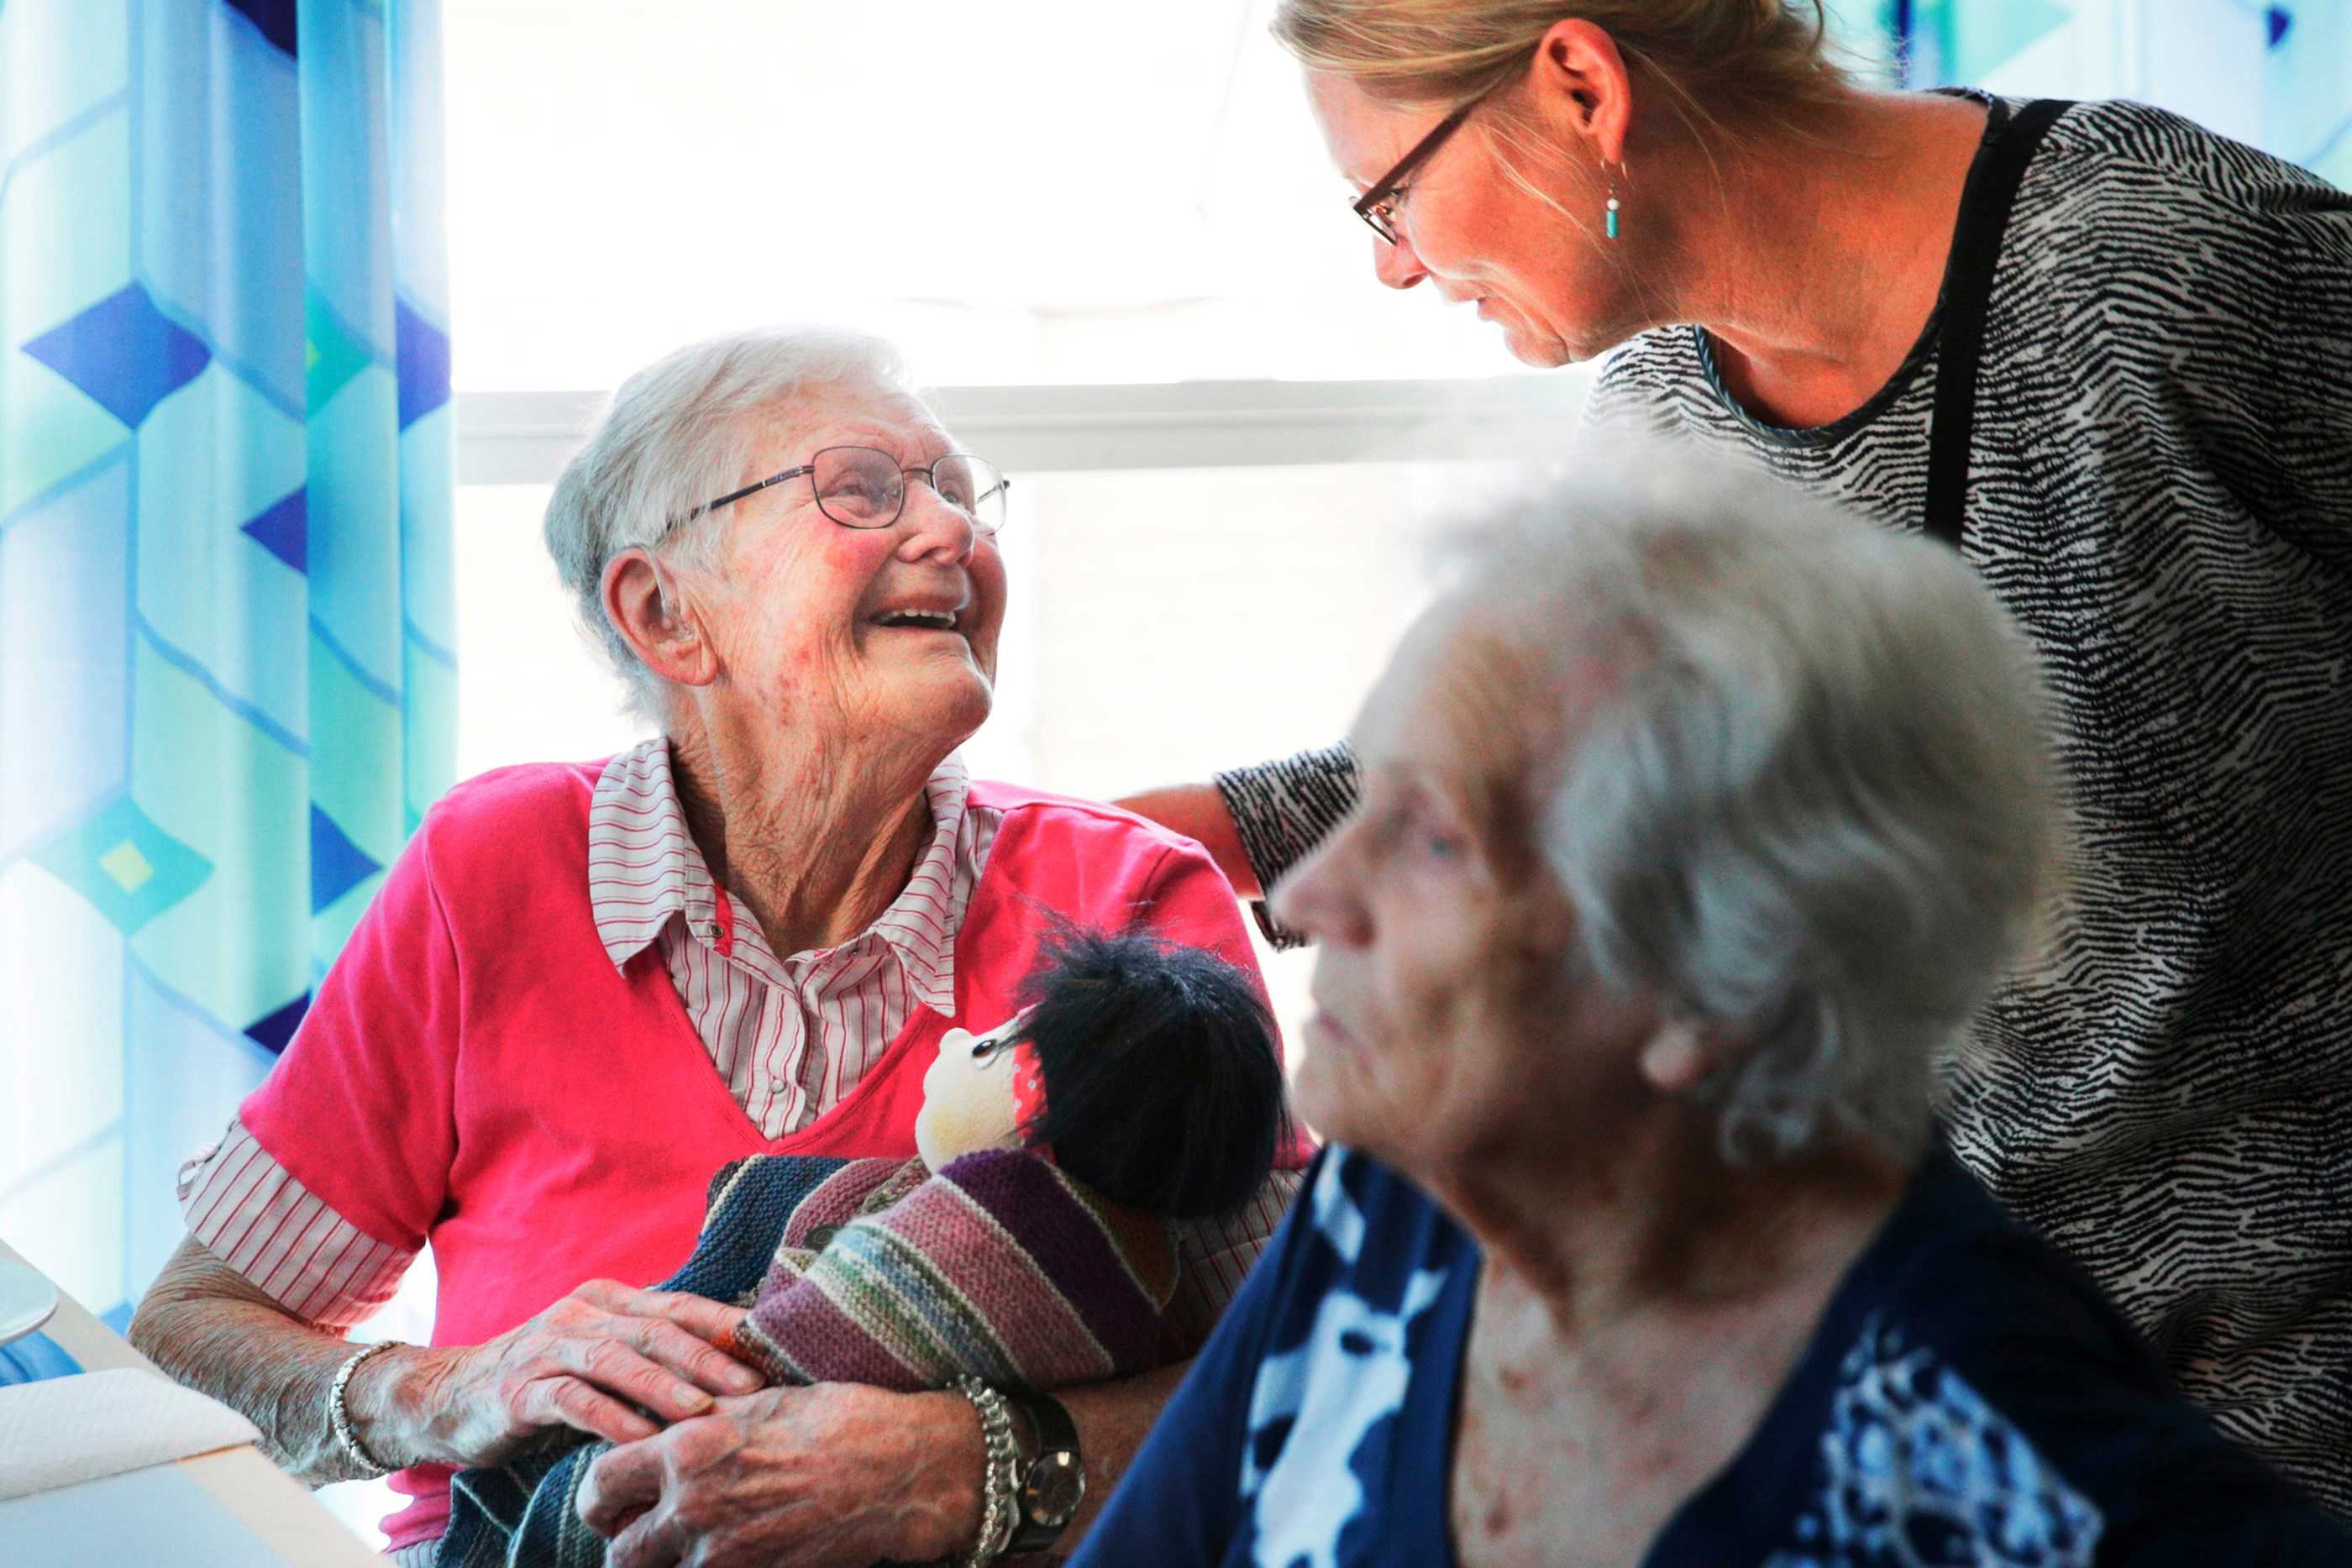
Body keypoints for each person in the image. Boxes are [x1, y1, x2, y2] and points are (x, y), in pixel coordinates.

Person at [1121, 0, 2352, 1506]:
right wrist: (1129, 845)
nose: (1392, 260)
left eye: (1390, 195)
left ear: (1579, 84)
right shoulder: (1666, 416)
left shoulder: (2153, 271)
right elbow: (1546, 772)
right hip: (1983, 1409)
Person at [129, 327, 1305, 1568]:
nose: (956, 534)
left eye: (964, 495)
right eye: (864, 489)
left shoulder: (1128, 906)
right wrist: (448, 1391)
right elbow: (195, 1327)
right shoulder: (494, 871)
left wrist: (962, 1469)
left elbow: (1315, 1363)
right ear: (665, 614)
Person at [1079, 460, 2349, 1565]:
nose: (1309, 892)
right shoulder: (1405, 1208)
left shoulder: (2015, 1480)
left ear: (1714, 981)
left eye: (1435, 843)